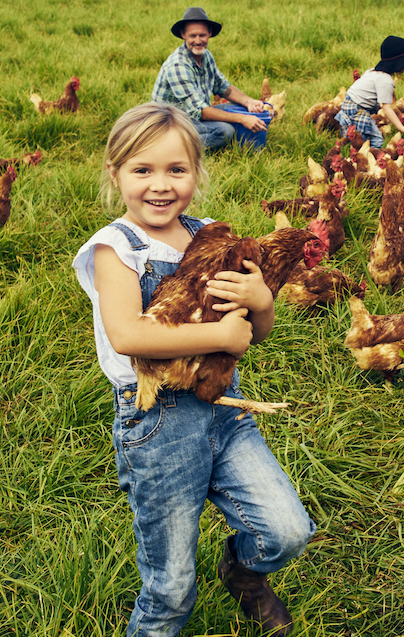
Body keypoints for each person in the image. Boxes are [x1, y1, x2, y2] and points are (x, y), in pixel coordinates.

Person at [72, 103, 313, 637]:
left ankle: (244, 572)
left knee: (288, 530)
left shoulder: (211, 236)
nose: (160, 185)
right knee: (171, 586)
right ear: (115, 175)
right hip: (158, 424)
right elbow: (130, 336)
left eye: (176, 170)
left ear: (197, 174)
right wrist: (223, 336)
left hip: (224, 410)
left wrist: (260, 300)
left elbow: (258, 331)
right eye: (142, 170)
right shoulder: (117, 250)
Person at [151, 6, 271, 151]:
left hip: (194, 116)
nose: (198, 40)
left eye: (202, 35)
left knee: (241, 108)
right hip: (171, 123)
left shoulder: (206, 56)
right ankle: (171, 145)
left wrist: (249, 102)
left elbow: (224, 87)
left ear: (209, 34)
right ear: (183, 35)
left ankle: (237, 140)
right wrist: (242, 119)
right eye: (192, 36)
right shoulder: (177, 65)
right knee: (225, 131)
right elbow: (201, 111)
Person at [334, 34, 404, 148]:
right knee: (375, 140)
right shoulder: (386, 80)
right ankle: (368, 159)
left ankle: (359, 152)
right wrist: (401, 128)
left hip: (350, 103)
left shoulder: (372, 71)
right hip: (356, 109)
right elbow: (387, 108)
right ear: (398, 63)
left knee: (364, 137)